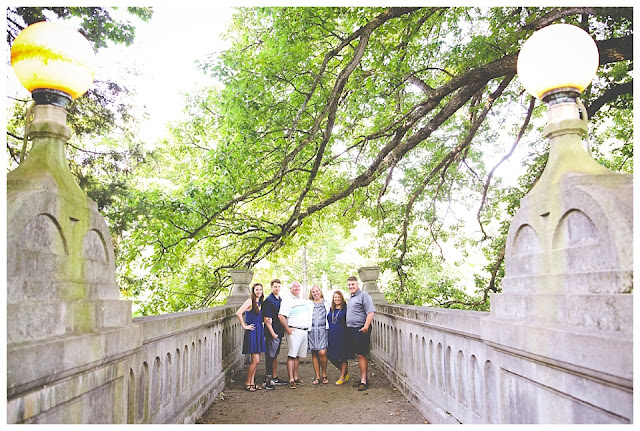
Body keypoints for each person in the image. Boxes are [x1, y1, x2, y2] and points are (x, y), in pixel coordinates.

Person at [278, 280, 312, 389]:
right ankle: (291, 379)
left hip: (303, 331)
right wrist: (288, 329)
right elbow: (281, 316)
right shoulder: (287, 300)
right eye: (294, 287)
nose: (297, 288)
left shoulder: (301, 300)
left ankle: (296, 377)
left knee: (298, 356)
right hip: (294, 331)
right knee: (292, 355)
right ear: (290, 288)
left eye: (298, 286)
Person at [346, 276, 375, 391]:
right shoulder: (352, 297)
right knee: (358, 354)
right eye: (349, 285)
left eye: (353, 284)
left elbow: (371, 312)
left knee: (362, 354)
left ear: (357, 284)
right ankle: (363, 378)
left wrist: (366, 327)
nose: (351, 287)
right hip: (352, 330)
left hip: (361, 329)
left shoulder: (364, 295)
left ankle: (364, 381)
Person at [235, 283, 266, 392]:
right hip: (252, 331)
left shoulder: (260, 302)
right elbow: (238, 313)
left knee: (256, 360)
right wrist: (245, 326)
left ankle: (252, 382)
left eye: (260, 289)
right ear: (253, 291)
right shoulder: (249, 301)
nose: (259, 291)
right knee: (255, 360)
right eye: (257, 290)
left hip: (259, 330)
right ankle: (247, 383)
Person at [261, 278, 288, 389]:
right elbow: (266, 318)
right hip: (272, 332)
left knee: (275, 355)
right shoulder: (269, 300)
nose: (277, 288)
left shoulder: (279, 299)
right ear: (271, 287)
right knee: (270, 355)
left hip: (279, 331)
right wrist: (272, 333)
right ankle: (267, 380)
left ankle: (274, 377)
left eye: (278, 286)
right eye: (275, 286)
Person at [307, 285, 331, 385]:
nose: (315, 293)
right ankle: (317, 376)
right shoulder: (308, 303)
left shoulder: (327, 303)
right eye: (313, 292)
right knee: (314, 353)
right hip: (312, 330)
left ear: (320, 291)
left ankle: (324, 374)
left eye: (317, 291)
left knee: (322, 352)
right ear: (311, 294)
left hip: (322, 330)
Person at [327, 290, 351, 385]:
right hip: (332, 335)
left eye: (339, 297)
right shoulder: (331, 309)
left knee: (343, 356)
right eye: (335, 297)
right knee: (330, 355)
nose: (337, 299)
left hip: (343, 335)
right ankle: (344, 371)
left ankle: (342, 377)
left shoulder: (346, 309)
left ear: (342, 298)